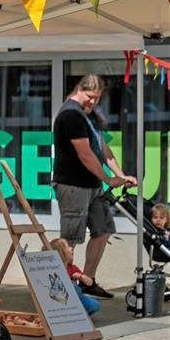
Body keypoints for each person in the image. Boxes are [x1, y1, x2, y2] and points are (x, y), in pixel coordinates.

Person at [51, 74, 138, 298]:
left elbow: (102, 148)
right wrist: (108, 179)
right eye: (90, 97)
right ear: (79, 89)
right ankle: (60, 286)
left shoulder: (89, 115)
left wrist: (121, 175)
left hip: (93, 186)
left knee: (104, 229)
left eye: (97, 98)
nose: (93, 102)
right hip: (72, 185)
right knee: (70, 239)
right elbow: (85, 153)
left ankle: (87, 282)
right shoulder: (70, 114)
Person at [50, 237, 99, 315]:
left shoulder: (73, 268)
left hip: (78, 299)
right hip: (63, 302)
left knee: (94, 304)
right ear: (60, 253)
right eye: (67, 246)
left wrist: (81, 277)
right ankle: (75, 314)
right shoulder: (53, 270)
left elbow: (90, 282)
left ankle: (78, 315)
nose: (71, 248)